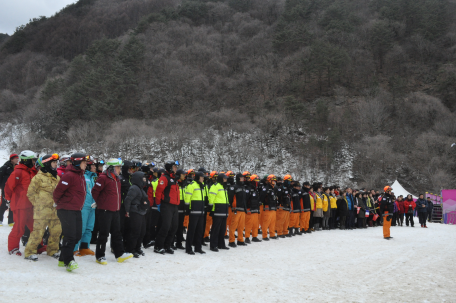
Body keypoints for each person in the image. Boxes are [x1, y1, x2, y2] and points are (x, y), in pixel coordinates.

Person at [91, 158, 133, 265]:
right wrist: (100, 202)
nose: (119, 170)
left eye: (119, 168)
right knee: (104, 233)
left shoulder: (117, 179)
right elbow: (95, 191)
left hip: (116, 210)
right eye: (118, 167)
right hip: (105, 210)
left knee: (117, 232)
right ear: (112, 168)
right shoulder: (103, 178)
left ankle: (119, 254)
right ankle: (100, 255)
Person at [53, 153, 87, 271]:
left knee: (77, 235)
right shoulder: (69, 175)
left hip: (76, 209)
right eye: (84, 162)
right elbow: (57, 192)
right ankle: (69, 261)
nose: (86, 164)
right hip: (66, 209)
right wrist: (59, 203)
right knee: (70, 236)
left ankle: (62, 259)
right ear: (77, 163)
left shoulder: (81, 175)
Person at [24, 154, 61, 261]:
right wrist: (39, 204)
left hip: (55, 210)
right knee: (38, 232)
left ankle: (53, 250)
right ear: (47, 164)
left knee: (56, 231)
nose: (55, 165)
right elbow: (30, 193)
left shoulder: (57, 177)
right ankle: (29, 252)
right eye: (54, 163)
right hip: (42, 211)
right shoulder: (38, 177)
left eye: (56, 163)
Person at [5, 150, 38, 256]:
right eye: (32, 160)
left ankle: (39, 246)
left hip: (30, 205)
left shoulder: (31, 171)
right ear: (26, 160)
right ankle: (13, 248)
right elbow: (8, 187)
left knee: (35, 227)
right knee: (19, 227)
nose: (34, 162)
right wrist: (8, 200)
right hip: (20, 205)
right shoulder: (18, 172)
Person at [154, 161, 180, 254]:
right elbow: (158, 192)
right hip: (166, 205)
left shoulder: (174, 179)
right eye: (174, 167)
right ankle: (158, 246)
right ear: (169, 168)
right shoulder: (164, 178)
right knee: (166, 226)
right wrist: (158, 204)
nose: (176, 169)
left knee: (174, 227)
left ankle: (167, 245)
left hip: (174, 206)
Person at [74, 157, 97, 256]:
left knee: (89, 228)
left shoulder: (92, 177)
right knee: (80, 228)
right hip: (83, 206)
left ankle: (84, 247)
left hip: (92, 206)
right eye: (93, 165)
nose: (95, 167)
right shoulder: (82, 176)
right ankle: (74, 248)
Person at [124, 171, 149, 258]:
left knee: (142, 232)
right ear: (138, 179)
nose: (145, 180)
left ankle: (137, 248)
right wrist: (127, 211)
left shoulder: (140, 188)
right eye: (143, 178)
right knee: (135, 232)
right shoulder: (134, 188)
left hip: (141, 212)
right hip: (135, 212)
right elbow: (128, 200)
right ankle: (130, 249)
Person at [184, 171, 208, 254]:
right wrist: (187, 208)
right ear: (198, 177)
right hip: (194, 211)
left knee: (199, 231)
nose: (203, 178)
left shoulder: (202, 186)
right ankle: (188, 248)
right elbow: (187, 197)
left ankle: (198, 248)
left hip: (201, 212)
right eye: (202, 177)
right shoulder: (192, 185)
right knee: (191, 230)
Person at [208, 173, 230, 251]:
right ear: (221, 179)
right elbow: (211, 197)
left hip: (224, 210)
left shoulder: (224, 186)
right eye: (224, 178)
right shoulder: (215, 186)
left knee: (223, 229)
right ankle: (213, 245)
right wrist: (211, 208)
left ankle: (221, 244)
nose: (226, 180)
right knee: (215, 229)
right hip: (217, 210)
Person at [229, 173, 248, 247]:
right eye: (241, 178)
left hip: (243, 209)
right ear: (238, 178)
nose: (243, 179)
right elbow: (230, 198)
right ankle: (231, 241)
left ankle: (240, 240)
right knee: (233, 226)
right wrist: (233, 207)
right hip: (236, 209)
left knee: (241, 226)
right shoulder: (234, 187)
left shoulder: (243, 187)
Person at [0, 153, 19, 226]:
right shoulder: (5, 167)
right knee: (3, 204)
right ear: (11, 159)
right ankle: (0, 220)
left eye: (18, 158)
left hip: (14, 189)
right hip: (5, 188)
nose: (17, 160)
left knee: (12, 204)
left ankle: (10, 221)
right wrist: (1, 186)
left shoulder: (17, 167)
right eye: (16, 158)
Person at [260, 174, 278, 240]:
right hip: (267, 207)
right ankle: (264, 235)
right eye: (273, 180)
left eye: (274, 181)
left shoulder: (274, 188)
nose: (274, 182)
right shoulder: (266, 188)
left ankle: (272, 234)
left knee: (273, 222)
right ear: (269, 181)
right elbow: (261, 197)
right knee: (266, 222)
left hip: (273, 207)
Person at [245, 174, 262, 242]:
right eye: (255, 181)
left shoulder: (256, 189)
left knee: (255, 224)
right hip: (250, 209)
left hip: (256, 209)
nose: (257, 183)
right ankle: (247, 237)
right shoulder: (248, 188)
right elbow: (246, 199)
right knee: (249, 224)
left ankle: (255, 236)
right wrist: (247, 208)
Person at [175, 169, 188, 250]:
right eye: (183, 174)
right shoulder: (175, 183)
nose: (184, 176)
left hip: (182, 207)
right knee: (174, 226)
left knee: (180, 226)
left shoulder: (185, 184)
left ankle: (179, 243)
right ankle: (171, 243)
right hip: (176, 206)